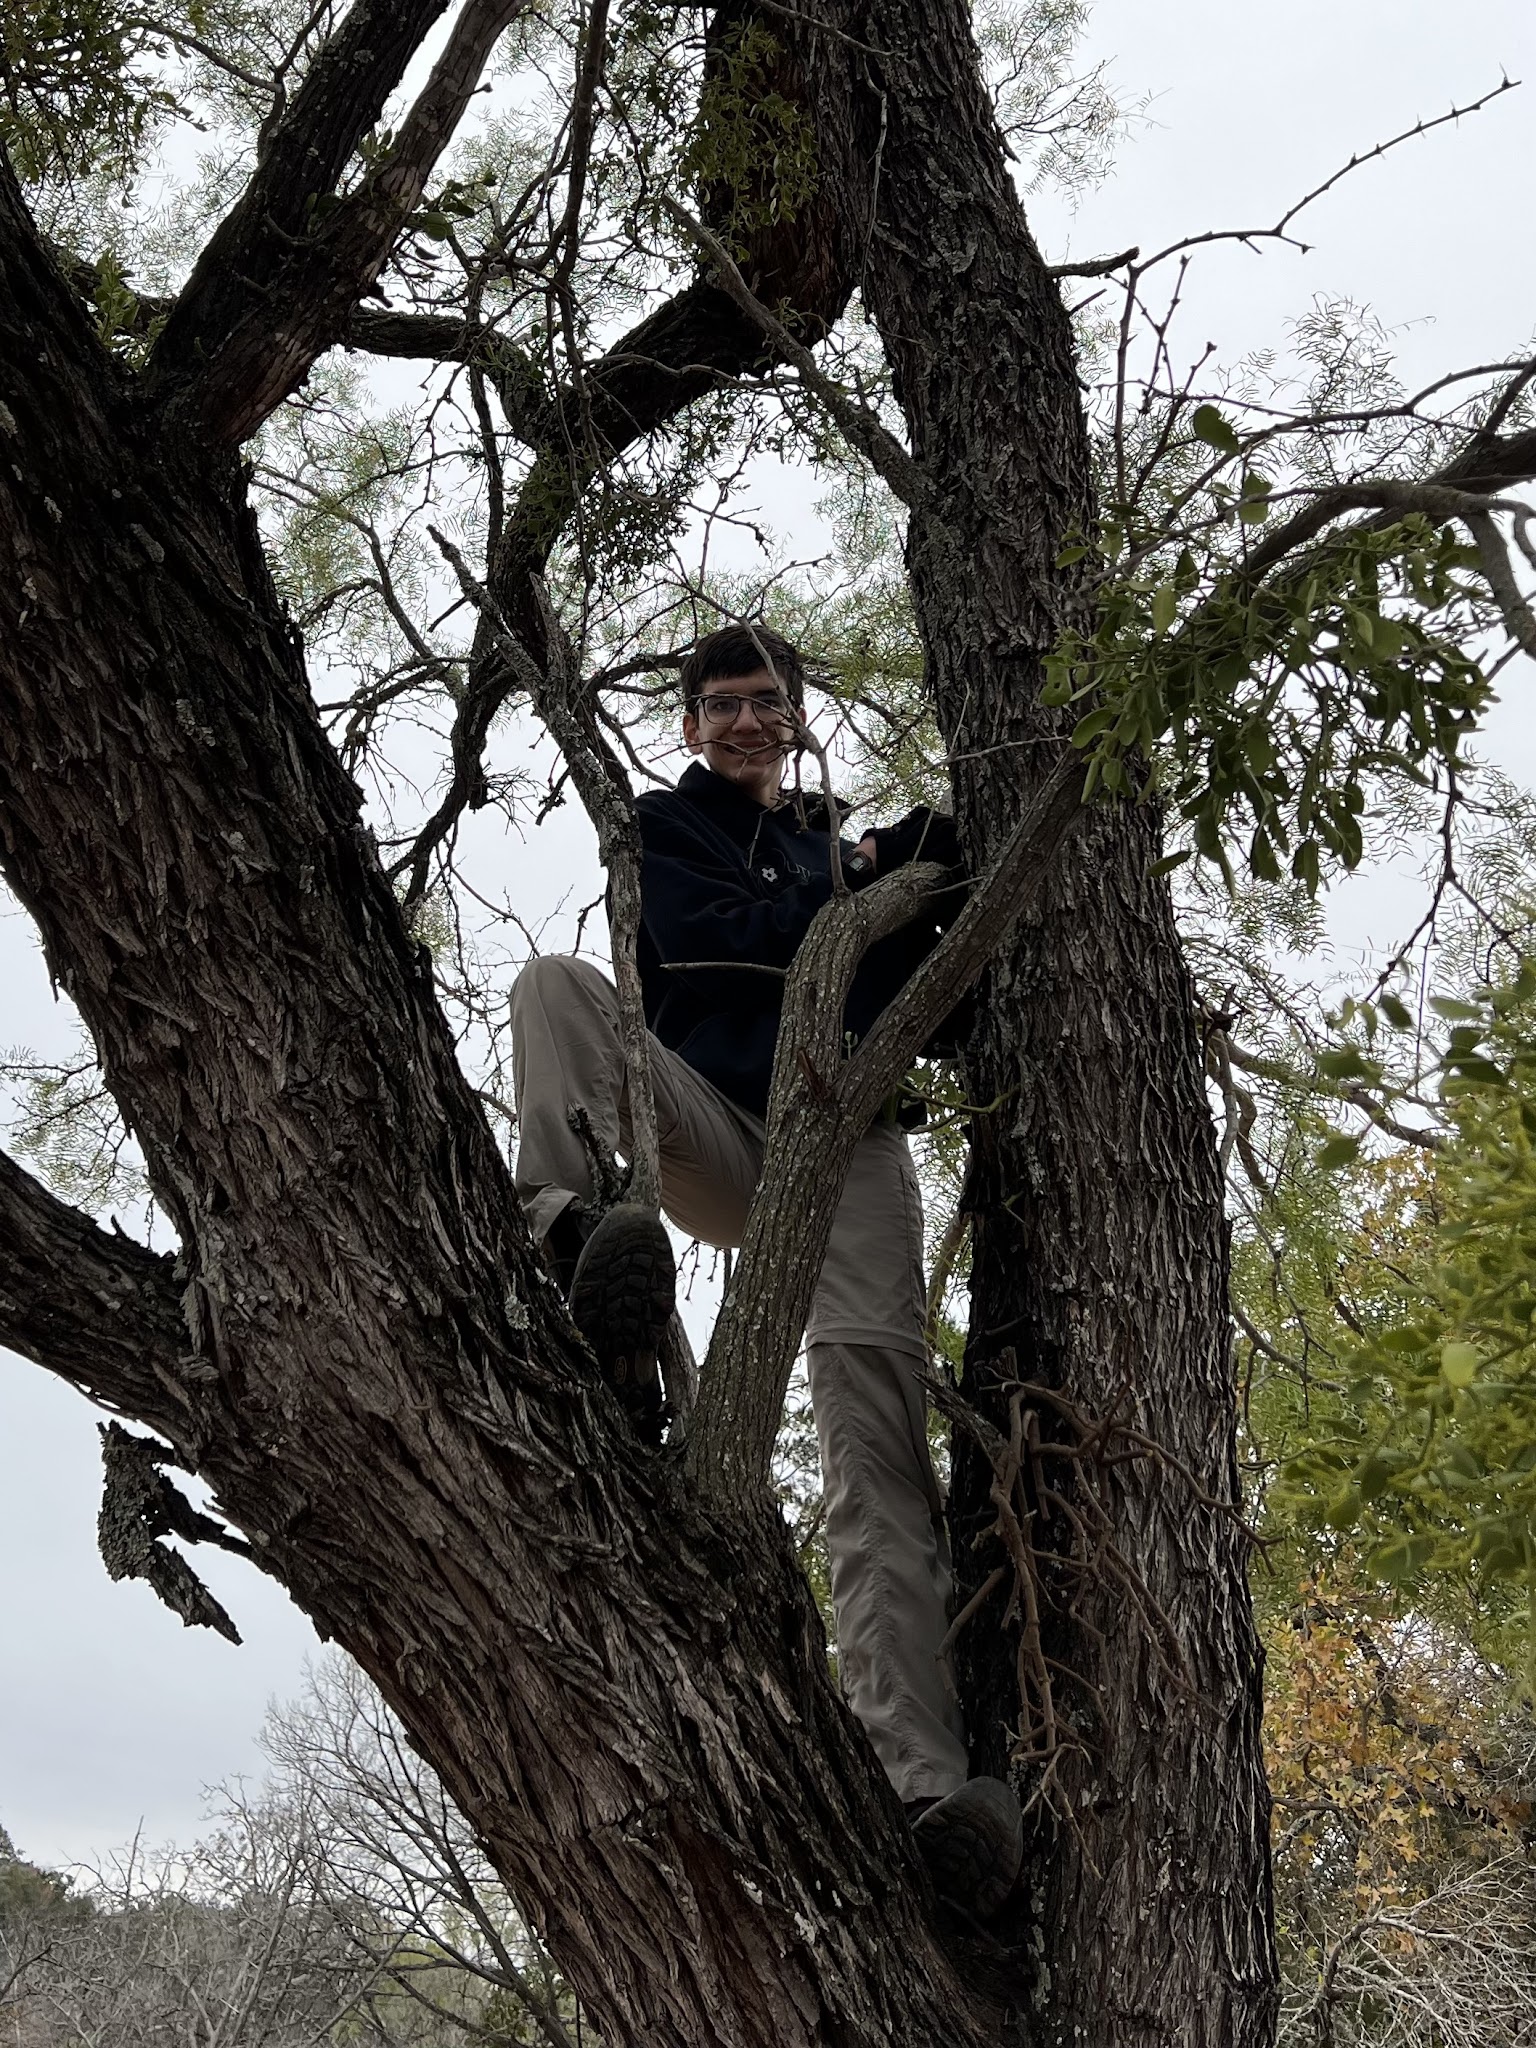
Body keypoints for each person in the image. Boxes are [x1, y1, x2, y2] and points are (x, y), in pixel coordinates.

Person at [509, 623, 1021, 1916]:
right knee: (556, 988)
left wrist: (890, 872)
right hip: (717, 1133)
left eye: (768, 703)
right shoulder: (666, 831)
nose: (746, 721)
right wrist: (867, 881)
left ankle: (921, 1790)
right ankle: (572, 1239)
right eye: (722, 704)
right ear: (689, 726)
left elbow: (934, 993)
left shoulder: (843, 842)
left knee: (876, 1450)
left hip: (848, 1150)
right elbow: (721, 952)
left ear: (796, 718)